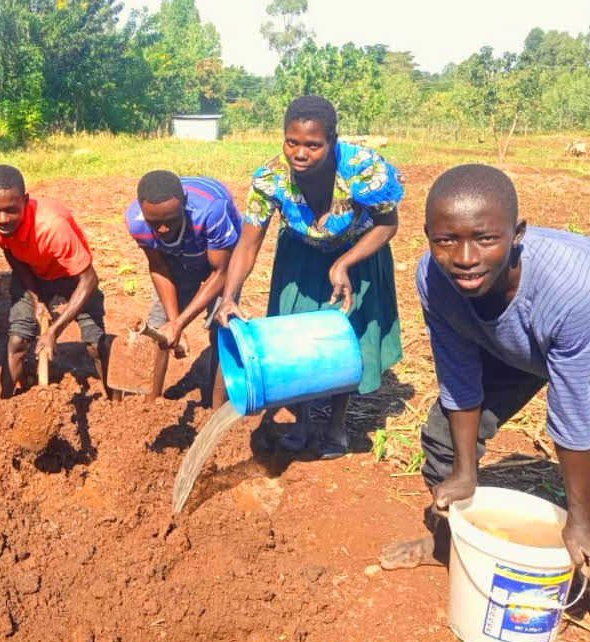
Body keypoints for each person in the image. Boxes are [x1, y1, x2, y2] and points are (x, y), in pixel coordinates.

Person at [381, 165, 590, 575]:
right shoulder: (434, 279)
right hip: (520, 344)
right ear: (427, 235)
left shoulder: (572, 287)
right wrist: (463, 472)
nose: (465, 259)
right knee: (444, 435)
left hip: (577, 329)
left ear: (517, 234)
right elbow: (457, 373)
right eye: (446, 240)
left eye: (485, 239)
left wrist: (579, 517)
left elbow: (574, 414)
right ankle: (448, 545)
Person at [215, 95, 404, 458]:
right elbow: (248, 243)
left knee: (347, 333)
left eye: (313, 145)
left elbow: (387, 225)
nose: (300, 153)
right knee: (294, 335)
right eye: (292, 142)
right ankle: (302, 420)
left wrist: (345, 262)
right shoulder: (270, 179)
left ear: (332, 140)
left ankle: (336, 423)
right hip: (300, 256)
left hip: (358, 253)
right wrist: (229, 296)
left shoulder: (364, 170)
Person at [0, 165, 111, 398]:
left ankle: (114, 401)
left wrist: (54, 331)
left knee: (95, 344)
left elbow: (89, 279)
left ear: (25, 201)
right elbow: (10, 251)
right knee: (17, 341)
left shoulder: (52, 226)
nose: (2, 219)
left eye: (11, 210)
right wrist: (37, 299)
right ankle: (5, 404)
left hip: (72, 277)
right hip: (32, 272)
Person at [124, 171, 240, 407]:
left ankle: (216, 407)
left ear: (184, 205)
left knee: (222, 326)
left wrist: (179, 323)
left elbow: (221, 272)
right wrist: (172, 322)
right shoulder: (137, 221)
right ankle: (150, 404)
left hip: (222, 259)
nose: (162, 229)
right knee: (158, 327)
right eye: (154, 222)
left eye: (170, 220)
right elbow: (159, 267)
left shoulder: (211, 211)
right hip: (177, 259)